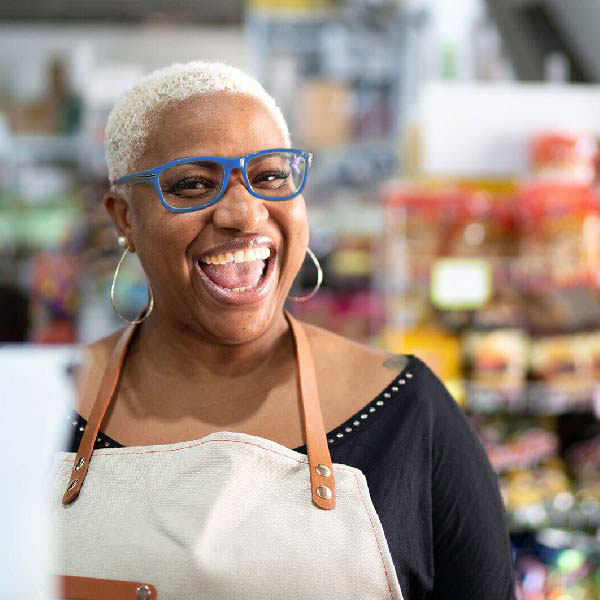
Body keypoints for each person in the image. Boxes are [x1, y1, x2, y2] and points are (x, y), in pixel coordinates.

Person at [51, 61, 516, 600]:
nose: (245, 214)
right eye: (193, 184)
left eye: (270, 176)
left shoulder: (408, 412)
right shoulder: (37, 410)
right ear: (124, 219)